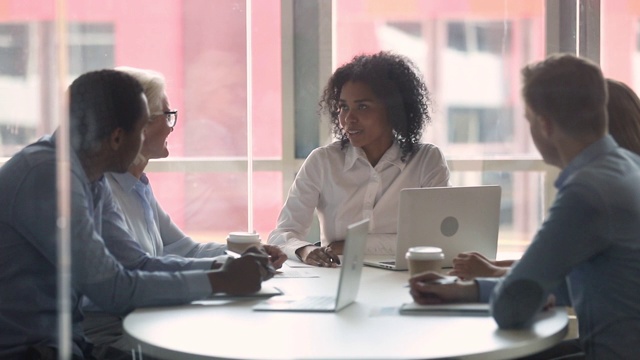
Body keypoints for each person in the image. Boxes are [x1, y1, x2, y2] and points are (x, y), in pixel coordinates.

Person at [0, 69, 274, 359]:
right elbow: (112, 289)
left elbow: (136, 263)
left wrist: (221, 269)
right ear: (117, 138)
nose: (146, 138)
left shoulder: (89, 175)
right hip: (28, 351)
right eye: (142, 129)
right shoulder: (49, 176)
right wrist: (220, 281)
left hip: (66, 344)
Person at [409, 54, 640, 359]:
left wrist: (514, 291)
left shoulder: (586, 193)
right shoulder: (628, 167)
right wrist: (471, 289)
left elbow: (511, 308)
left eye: (529, 121)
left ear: (544, 125)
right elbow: (587, 285)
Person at [79, 66, 286, 358]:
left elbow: (183, 248)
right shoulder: (103, 189)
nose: (173, 125)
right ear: (141, 124)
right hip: (117, 334)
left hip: (145, 319)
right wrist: (224, 274)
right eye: (167, 115)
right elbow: (138, 268)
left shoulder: (137, 186)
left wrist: (249, 255)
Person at [267, 51, 451, 267]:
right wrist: (306, 249)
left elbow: (435, 240)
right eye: (344, 107)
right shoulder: (323, 162)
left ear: (393, 110)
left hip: (403, 280)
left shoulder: (426, 161)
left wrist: (351, 245)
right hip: (336, 279)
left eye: (362, 107)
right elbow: (282, 234)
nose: (348, 119)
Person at [448, 77, 640, 281]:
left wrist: (491, 273)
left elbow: (561, 281)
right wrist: (493, 266)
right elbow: (563, 264)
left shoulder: (596, 193)